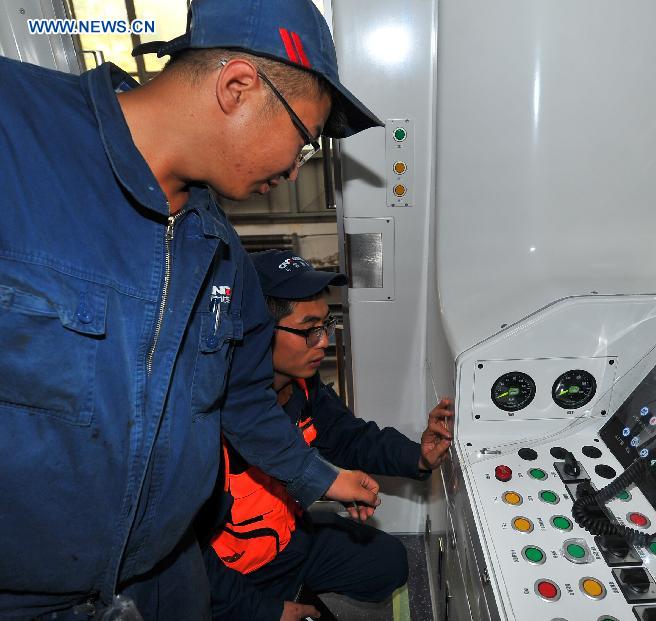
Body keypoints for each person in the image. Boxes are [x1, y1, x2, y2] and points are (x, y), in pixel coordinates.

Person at [0, 1, 384, 619]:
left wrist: (319, 478)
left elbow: (244, 399)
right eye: (303, 143)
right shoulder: (16, 129)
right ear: (237, 87)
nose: (293, 169)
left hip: (165, 585)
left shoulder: (219, 250)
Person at [202, 250, 454, 621]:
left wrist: (417, 455)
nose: (323, 342)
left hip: (289, 540)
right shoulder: (207, 419)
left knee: (387, 563)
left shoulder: (303, 387)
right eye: (309, 330)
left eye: (326, 325)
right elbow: (185, 557)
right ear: (257, 332)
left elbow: (348, 437)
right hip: (231, 577)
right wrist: (263, 611)